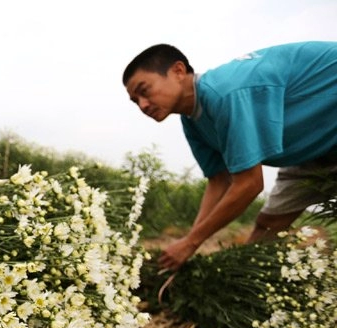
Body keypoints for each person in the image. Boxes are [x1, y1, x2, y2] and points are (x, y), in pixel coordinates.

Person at [123, 42, 337, 270]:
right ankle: (258, 290)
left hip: (326, 133)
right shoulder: (192, 121)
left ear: (178, 71)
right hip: (317, 149)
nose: (143, 105)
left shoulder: (226, 93)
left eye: (144, 91)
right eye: (135, 101)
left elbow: (249, 184)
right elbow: (219, 180)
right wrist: (189, 242)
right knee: (268, 225)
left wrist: (192, 242)